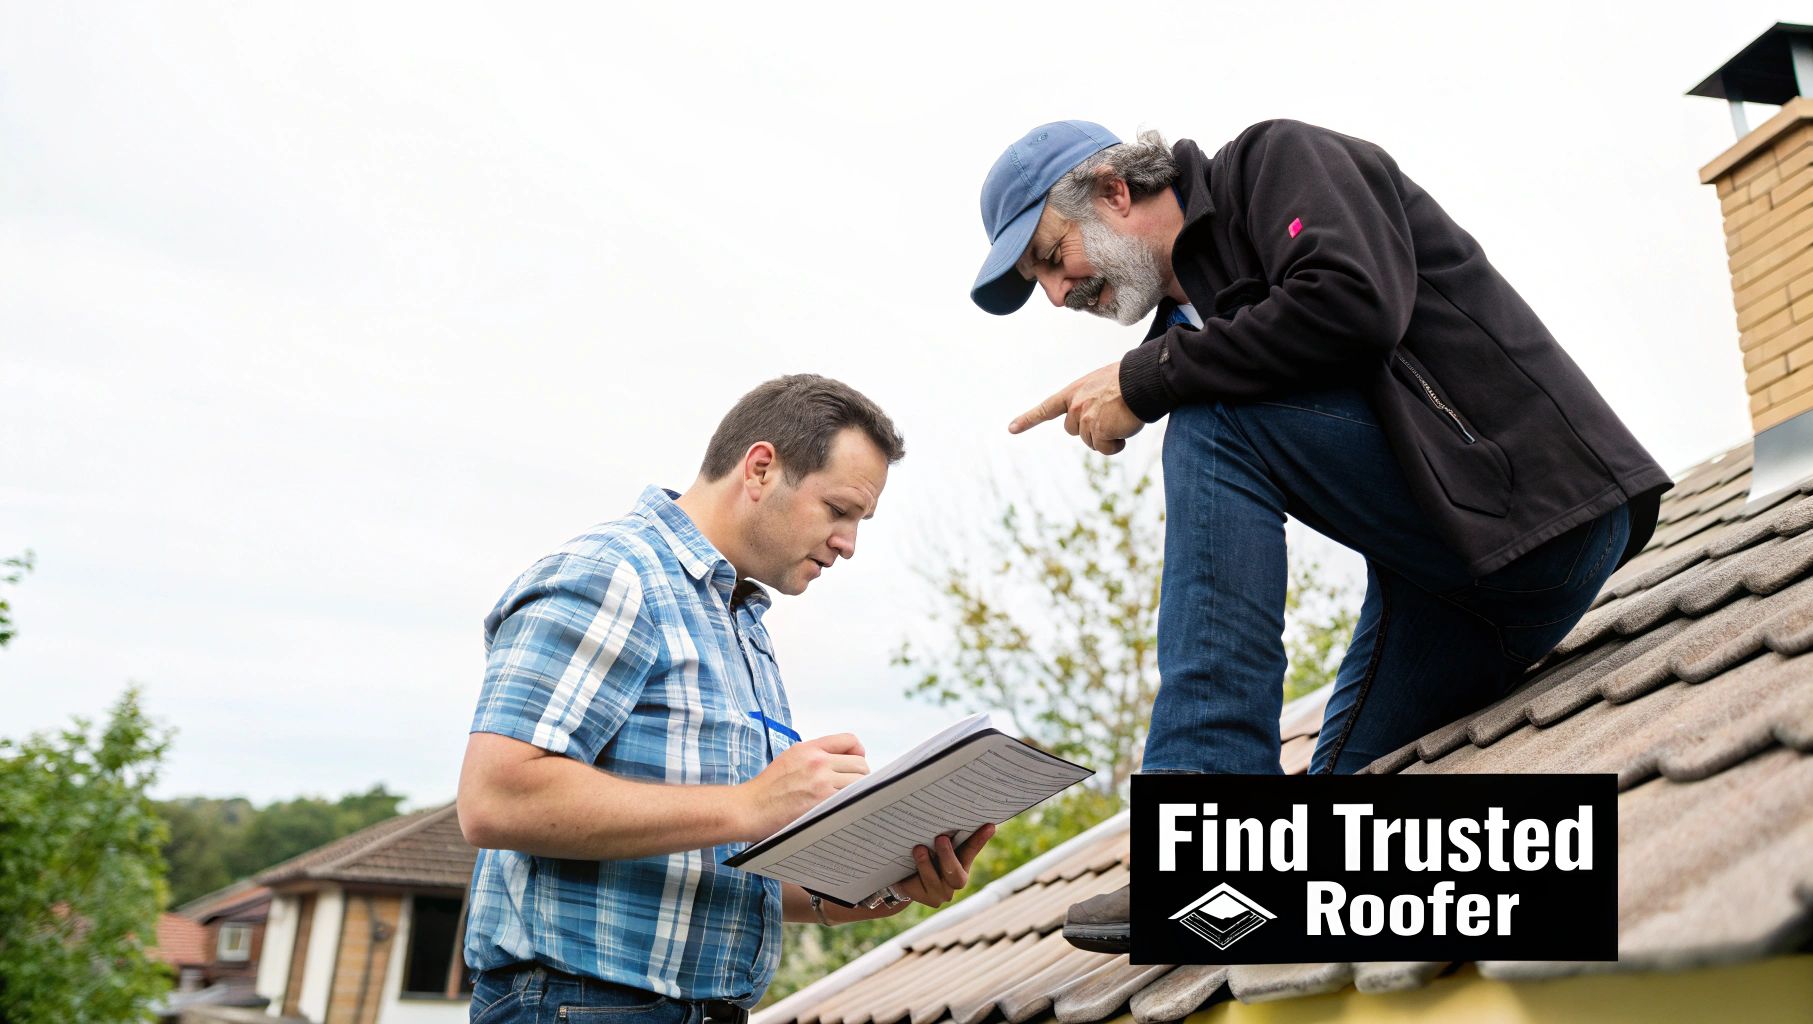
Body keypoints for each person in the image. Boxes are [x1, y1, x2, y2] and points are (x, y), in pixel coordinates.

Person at [969, 120, 1670, 951]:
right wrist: (1161, 367)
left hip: (1536, 516)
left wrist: (1149, 379)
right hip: (1446, 594)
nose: (1057, 294)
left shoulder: (1273, 165)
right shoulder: (1183, 336)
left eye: (1052, 258)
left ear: (1115, 192)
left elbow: (1354, 300)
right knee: (1314, 851)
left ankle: (1203, 820)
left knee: (1206, 419)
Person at [456, 374, 996, 1022]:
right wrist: (752, 803)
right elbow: (496, 798)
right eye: (839, 510)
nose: (849, 543)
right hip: (585, 1005)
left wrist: (873, 885)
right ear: (761, 469)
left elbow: (720, 859)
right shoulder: (613, 574)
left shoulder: (739, 622)